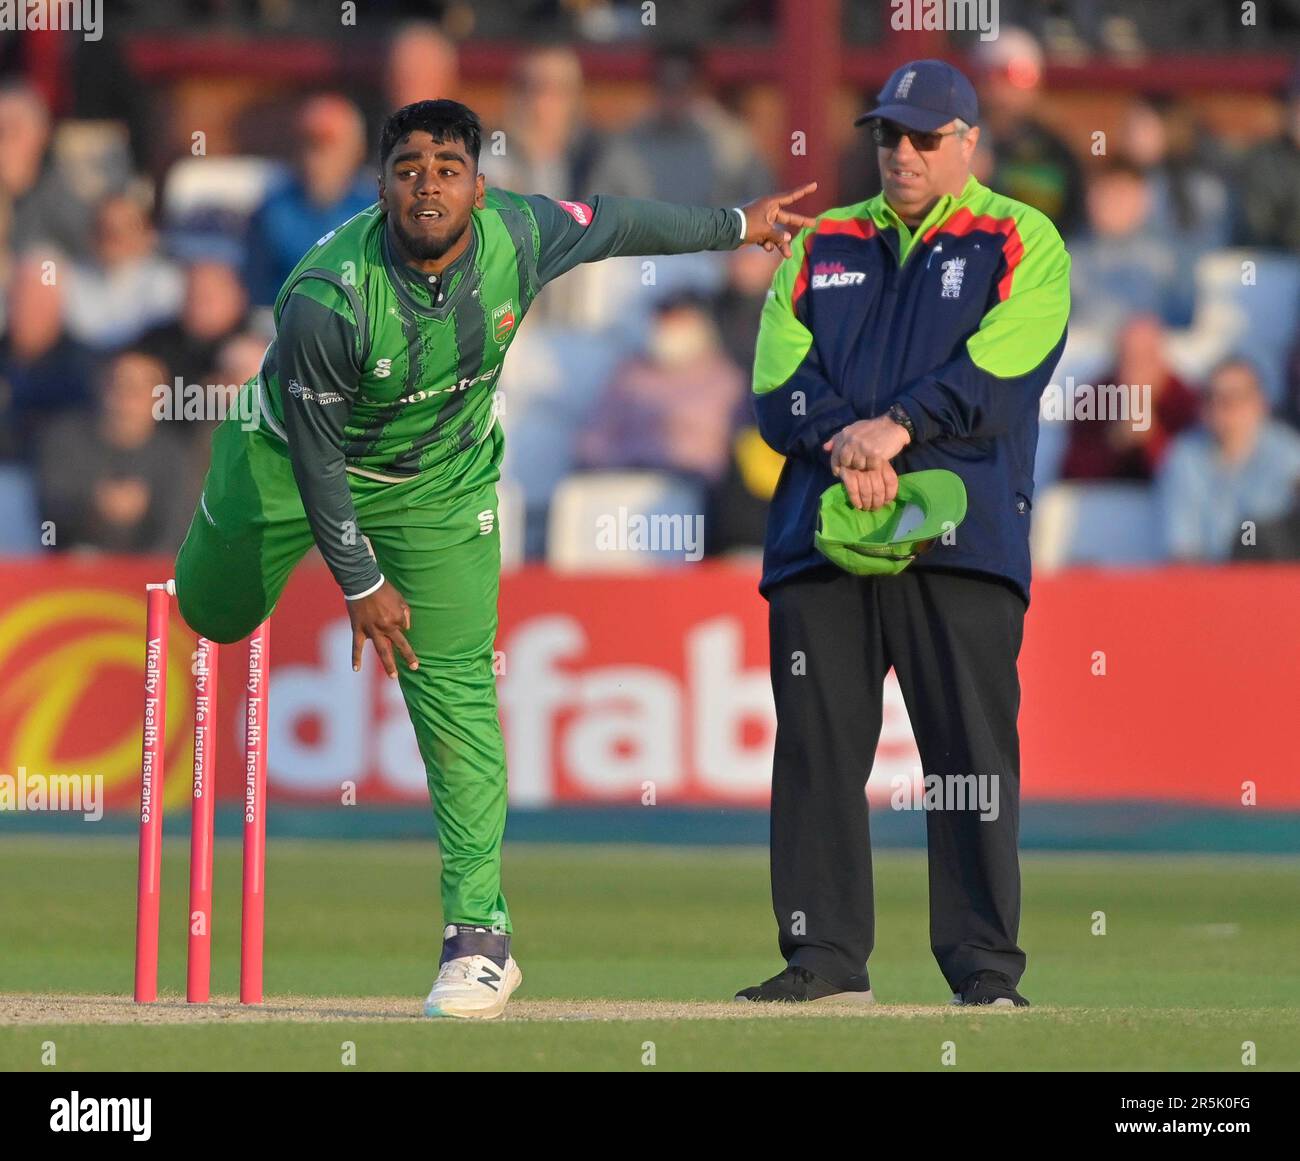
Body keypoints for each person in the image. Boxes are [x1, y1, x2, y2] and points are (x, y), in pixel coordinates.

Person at [172, 98, 815, 1020]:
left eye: (446, 167)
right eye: (406, 169)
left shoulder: (521, 230)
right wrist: (360, 581)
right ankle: (218, 559)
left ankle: (480, 938)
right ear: (382, 184)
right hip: (283, 460)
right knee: (214, 614)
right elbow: (318, 458)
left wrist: (737, 226)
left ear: (479, 183)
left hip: (438, 484)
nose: (426, 184)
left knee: (459, 691)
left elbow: (619, 223)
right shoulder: (327, 296)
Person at [735, 60, 1070, 1008]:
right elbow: (775, 382)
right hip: (822, 537)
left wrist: (901, 425)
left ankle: (984, 971)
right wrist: (851, 438)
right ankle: (825, 959)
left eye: (925, 137)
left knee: (966, 760)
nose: (904, 152)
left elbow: (1005, 373)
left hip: (958, 541)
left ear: (969, 143)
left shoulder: (1021, 237)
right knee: (815, 751)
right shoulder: (821, 242)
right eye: (889, 135)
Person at [1157, 358, 1300, 561]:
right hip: (1207, 585)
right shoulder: (1185, 457)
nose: (1223, 408)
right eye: (1212, 398)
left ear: (1260, 403)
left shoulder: (1290, 457)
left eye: (1234, 397)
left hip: (1272, 581)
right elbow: (1182, 548)